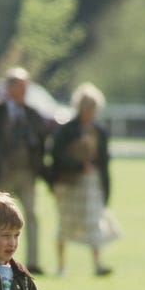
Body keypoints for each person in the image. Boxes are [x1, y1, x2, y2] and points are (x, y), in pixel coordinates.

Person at [0, 67, 50, 274]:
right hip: (3, 173)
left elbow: (42, 140)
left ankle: (32, 262)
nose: (25, 90)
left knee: (31, 217)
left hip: (27, 173)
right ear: (10, 87)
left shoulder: (31, 113)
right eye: (21, 86)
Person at [50, 82, 117, 276]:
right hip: (69, 182)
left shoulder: (100, 131)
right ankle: (61, 266)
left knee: (94, 221)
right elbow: (57, 155)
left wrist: (106, 188)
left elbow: (104, 161)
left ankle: (97, 264)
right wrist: (78, 166)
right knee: (64, 223)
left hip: (92, 183)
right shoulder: (67, 130)